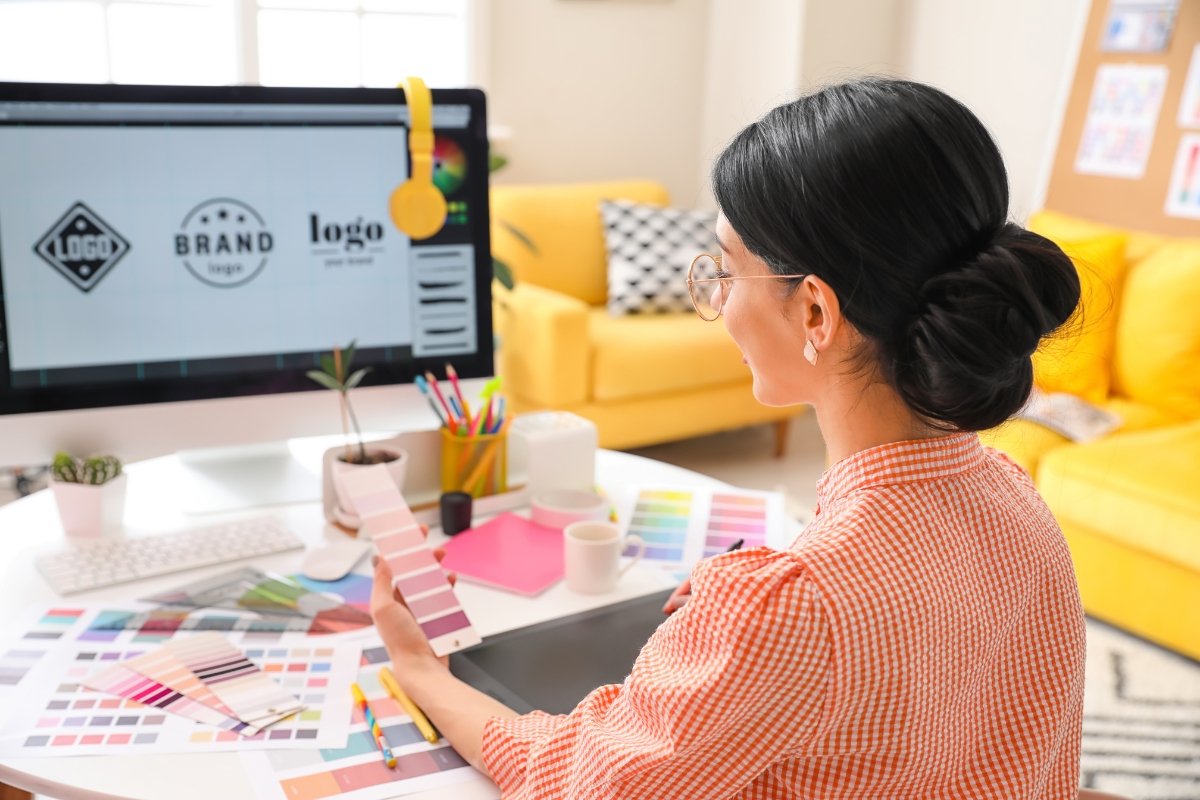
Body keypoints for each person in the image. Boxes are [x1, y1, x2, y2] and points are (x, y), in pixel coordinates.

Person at [371, 77, 1087, 799]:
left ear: (814, 312)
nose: (715, 299)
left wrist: (423, 671)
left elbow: (580, 786)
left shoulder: (791, 611)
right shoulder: (1017, 502)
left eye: (726, 267)